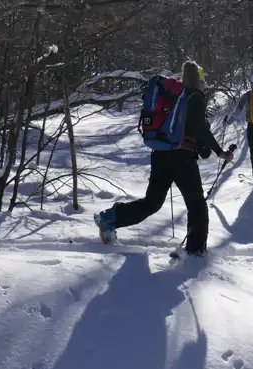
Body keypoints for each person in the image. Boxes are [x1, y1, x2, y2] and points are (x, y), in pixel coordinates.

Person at [95, 61, 234, 256]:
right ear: (199, 80)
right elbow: (200, 129)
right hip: (182, 158)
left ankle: (110, 217)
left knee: (152, 202)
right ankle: (195, 253)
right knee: (196, 205)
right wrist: (219, 151)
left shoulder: (174, 96)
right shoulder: (194, 97)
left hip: (160, 154)